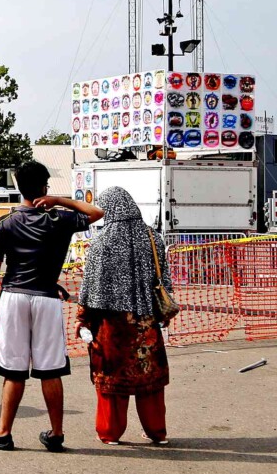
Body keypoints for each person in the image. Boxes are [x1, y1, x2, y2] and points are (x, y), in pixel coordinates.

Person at [0, 160, 104, 452]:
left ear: (18, 188)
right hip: (47, 298)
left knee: (13, 369)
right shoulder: (59, 219)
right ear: (45, 187)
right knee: (50, 369)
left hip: (13, 297)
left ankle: (4, 432)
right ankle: (56, 434)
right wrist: (58, 201)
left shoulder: (6, 223)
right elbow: (97, 212)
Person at [77, 186, 173, 446]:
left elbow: (91, 287)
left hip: (112, 326)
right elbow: (163, 277)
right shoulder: (152, 237)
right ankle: (157, 432)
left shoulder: (101, 241)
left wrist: (83, 320)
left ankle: (110, 433)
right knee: (150, 381)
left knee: (112, 381)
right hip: (146, 323)